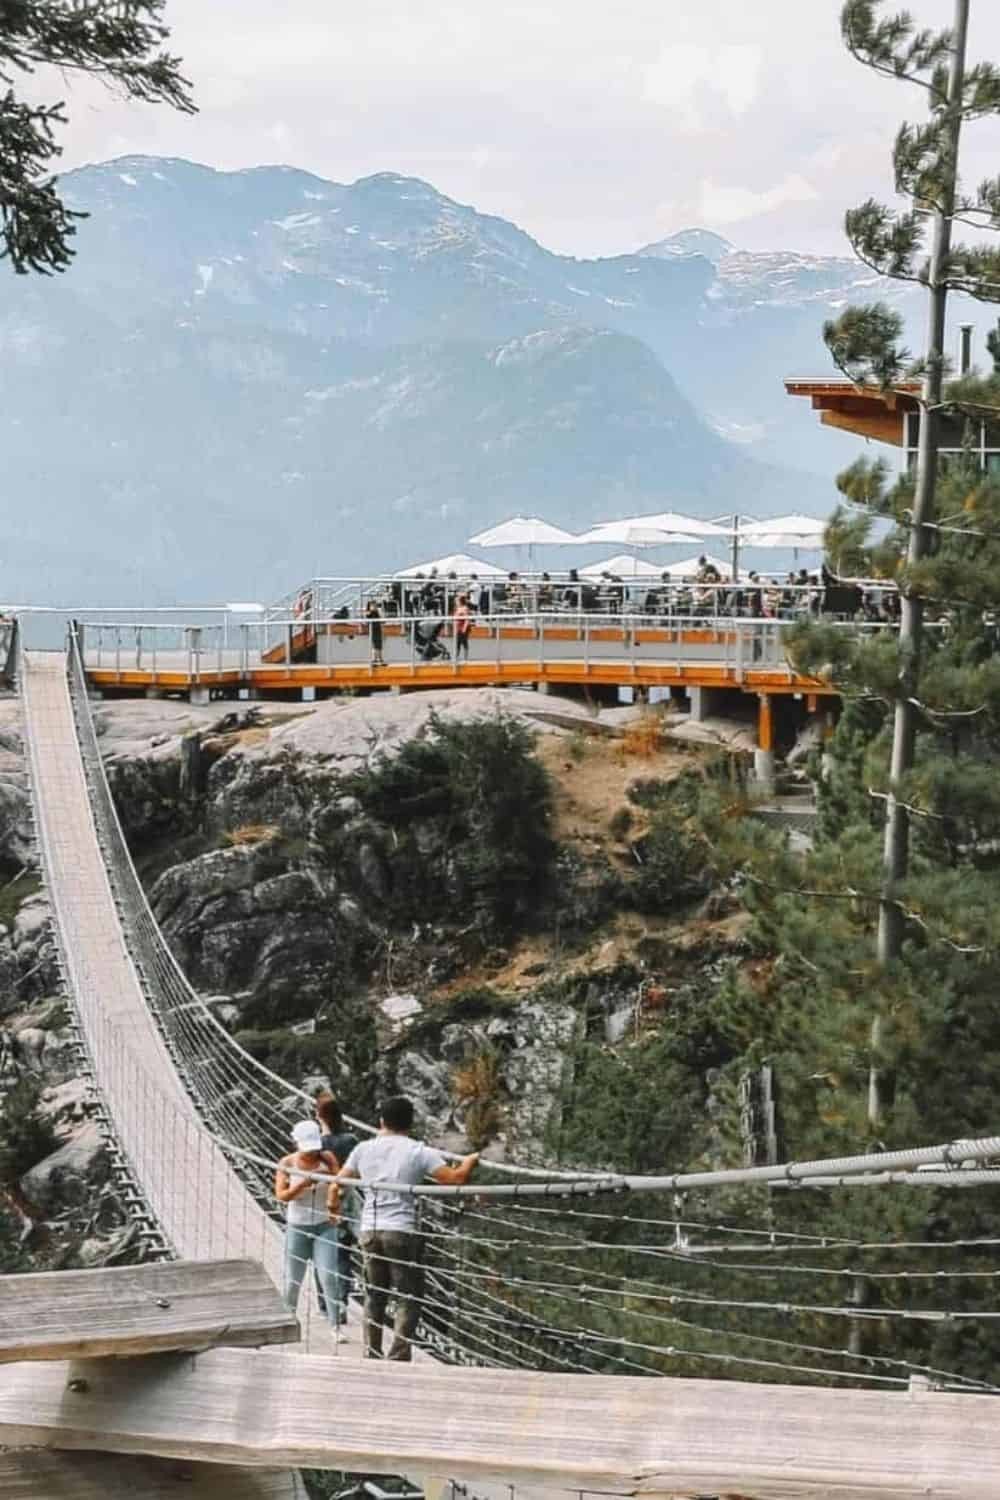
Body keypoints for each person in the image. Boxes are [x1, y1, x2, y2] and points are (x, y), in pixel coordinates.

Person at [336, 1096, 478, 1362]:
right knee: (409, 1296)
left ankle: (371, 1353)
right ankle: (398, 1357)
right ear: (411, 1122)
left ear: (381, 1121)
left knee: (375, 1295)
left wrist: (335, 1204)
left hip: (369, 1229)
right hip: (400, 1231)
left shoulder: (363, 1149)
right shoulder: (418, 1151)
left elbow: (340, 1181)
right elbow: (454, 1179)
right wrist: (471, 1159)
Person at [275, 1120, 348, 1341]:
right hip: (298, 1225)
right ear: (296, 1143)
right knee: (293, 1279)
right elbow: (281, 1195)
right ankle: (288, 1322)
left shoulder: (328, 1159)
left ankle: (335, 1327)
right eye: (307, 1149)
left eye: (314, 1148)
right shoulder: (286, 1163)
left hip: (325, 1226)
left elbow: (340, 1183)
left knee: (328, 1276)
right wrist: (303, 1185)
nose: (311, 1153)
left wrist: (334, 1198)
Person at [315, 1092, 360, 1325]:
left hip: (321, 1203)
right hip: (346, 1204)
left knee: (320, 1254)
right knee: (343, 1255)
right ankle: (341, 1303)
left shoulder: (316, 1144)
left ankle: (325, 1305)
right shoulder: (351, 1141)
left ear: (318, 1116)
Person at [365, 598, 385, 667]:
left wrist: (379, 611)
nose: (374, 606)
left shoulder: (377, 612)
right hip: (373, 630)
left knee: (379, 645)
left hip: (378, 629)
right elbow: (367, 615)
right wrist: (372, 610)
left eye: (375, 605)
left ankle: (380, 659)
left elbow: (382, 620)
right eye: (373, 605)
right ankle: (374, 660)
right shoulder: (369, 613)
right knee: (375, 645)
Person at [454, 592, 473, 662]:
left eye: (457, 601)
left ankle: (465, 657)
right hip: (458, 627)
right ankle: (456, 656)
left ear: (460, 601)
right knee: (457, 642)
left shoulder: (465, 608)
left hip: (463, 627)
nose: (456, 602)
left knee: (464, 642)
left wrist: (464, 629)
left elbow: (467, 619)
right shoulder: (458, 608)